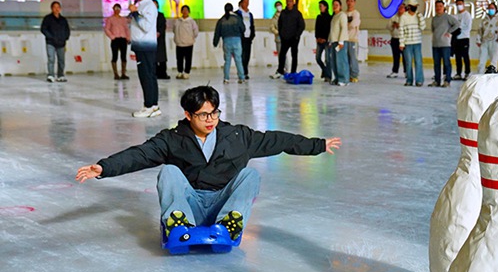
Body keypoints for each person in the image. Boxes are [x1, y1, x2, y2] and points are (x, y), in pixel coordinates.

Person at [75, 85, 341, 244]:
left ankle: (229, 224)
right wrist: (104, 167)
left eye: (214, 112)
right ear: (188, 115)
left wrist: (317, 145)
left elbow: (276, 140)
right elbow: (140, 154)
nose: (210, 119)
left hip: (222, 205)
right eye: (203, 114)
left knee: (249, 175)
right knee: (168, 171)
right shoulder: (172, 139)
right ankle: (178, 225)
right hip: (188, 205)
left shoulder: (237, 136)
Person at [129, 0, 160, 118]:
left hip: (145, 47)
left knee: (146, 76)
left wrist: (135, 13)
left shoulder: (149, 6)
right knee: (149, 75)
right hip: (142, 46)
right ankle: (153, 105)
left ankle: (149, 105)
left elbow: (146, 26)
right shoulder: (141, 5)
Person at [271, 0, 305, 79]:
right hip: (285, 38)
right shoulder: (283, 13)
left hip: (294, 38)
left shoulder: (297, 13)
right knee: (282, 54)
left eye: (290, 1)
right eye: (287, 1)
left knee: (294, 55)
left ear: (293, 2)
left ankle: (293, 72)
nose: (289, 3)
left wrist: (297, 35)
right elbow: (280, 24)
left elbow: (302, 26)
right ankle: (280, 71)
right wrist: (282, 35)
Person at [213, 2, 245, 84]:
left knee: (227, 61)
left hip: (226, 41)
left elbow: (217, 32)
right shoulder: (237, 18)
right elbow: (243, 28)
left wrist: (215, 43)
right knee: (238, 60)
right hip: (237, 40)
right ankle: (241, 77)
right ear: (232, 9)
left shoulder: (222, 20)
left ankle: (226, 78)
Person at [430, 0, 460, 87]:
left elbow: (457, 24)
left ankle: (447, 80)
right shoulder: (434, 18)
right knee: (436, 63)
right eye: (437, 6)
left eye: (440, 6)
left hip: (445, 44)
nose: (438, 8)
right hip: (435, 44)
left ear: (444, 7)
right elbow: (433, 29)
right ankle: (437, 81)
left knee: (446, 63)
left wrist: (449, 32)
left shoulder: (447, 17)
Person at [40, 1, 70, 83]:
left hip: (61, 43)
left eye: (58, 7)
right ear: (52, 8)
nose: (56, 9)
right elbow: (43, 29)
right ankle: (51, 75)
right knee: (51, 58)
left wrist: (65, 37)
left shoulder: (63, 20)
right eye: (55, 7)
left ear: (60, 9)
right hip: (51, 42)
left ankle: (61, 75)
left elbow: (67, 30)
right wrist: (50, 37)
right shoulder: (47, 18)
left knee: (61, 60)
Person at [398, 0, 425, 87]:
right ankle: (409, 80)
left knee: (418, 62)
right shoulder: (403, 17)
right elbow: (401, 30)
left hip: (417, 42)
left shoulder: (418, 16)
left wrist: (420, 17)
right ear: (409, 7)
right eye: (413, 6)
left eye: (416, 6)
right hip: (407, 43)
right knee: (408, 62)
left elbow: (423, 27)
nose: (415, 8)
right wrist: (401, 43)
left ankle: (419, 80)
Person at [476, 1, 498, 74]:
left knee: (494, 60)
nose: (490, 10)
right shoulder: (484, 20)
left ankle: (493, 77)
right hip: (485, 42)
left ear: (496, 9)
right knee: (481, 60)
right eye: (489, 8)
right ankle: (480, 76)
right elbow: (480, 30)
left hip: (495, 42)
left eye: (492, 8)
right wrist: (478, 40)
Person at [103, 3, 130, 81]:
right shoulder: (110, 19)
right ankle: (115, 73)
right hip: (115, 39)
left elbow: (126, 29)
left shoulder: (123, 19)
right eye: (115, 8)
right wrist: (112, 36)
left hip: (123, 38)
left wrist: (128, 37)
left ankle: (123, 73)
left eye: (118, 8)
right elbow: (107, 29)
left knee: (123, 56)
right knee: (115, 56)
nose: (117, 10)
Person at [172, 4, 198, 79]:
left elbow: (195, 32)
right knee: (179, 59)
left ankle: (187, 72)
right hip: (179, 43)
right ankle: (180, 71)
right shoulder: (177, 21)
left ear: (189, 11)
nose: (185, 12)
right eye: (183, 10)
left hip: (188, 43)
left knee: (188, 59)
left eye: (186, 10)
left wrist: (191, 38)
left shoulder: (191, 21)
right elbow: (174, 30)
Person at [328, 0, 349, 86]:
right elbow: (332, 30)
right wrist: (330, 40)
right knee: (334, 61)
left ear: (340, 6)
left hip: (340, 42)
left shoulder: (342, 15)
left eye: (336, 5)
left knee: (341, 61)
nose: (334, 6)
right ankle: (336, 78)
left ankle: (343, 79)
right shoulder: (334, 16)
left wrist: (341, 41)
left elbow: (343, 28)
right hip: (333, 41)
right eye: (333, 5)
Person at [452, 0, 472, 80]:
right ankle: (458, 73)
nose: (459, 6)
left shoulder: (467, 15)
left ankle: (467, 73)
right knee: (458, 57)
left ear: (463, 4)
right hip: (457, 39)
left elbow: (468, 27)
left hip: (464, 38)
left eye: (460, 4)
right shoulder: (456, 16)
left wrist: (460, 29)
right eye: (457, 5)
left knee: (465, 56)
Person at [236, 0, 255, 80]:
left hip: (248, 37)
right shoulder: (237, 13)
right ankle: (241, 72)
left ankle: (245, 71)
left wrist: (252, 35)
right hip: (240, 38)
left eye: (248, 2)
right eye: (245, 2)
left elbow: (252, 25)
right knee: (241, 55)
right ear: (241, 3)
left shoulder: (250, 14)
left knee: (247, 55)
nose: (246, 4)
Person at [314, 0, 332, 82]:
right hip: (319, 41)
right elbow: (317, 29)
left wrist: (325, 39)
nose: (320, 8)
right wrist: (318, 38)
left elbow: (329, 30)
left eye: (321, 6)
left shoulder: (330, 18)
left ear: (325, 7)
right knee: (318, 58)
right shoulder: (319, 17)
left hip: (326, 41)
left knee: (327, 59)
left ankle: (328, 75)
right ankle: (325, 70)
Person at [387, 4, 406, 79]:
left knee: (405, 57)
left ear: (405, 9)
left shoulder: (406, 17)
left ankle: (406, 72)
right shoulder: (394, 17)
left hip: (403, 39)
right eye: (399, 7)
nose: (400, 9)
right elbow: (388, 26)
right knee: (395, 56)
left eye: (402, 8)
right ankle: (395, 71)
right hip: (394, 38)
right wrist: (393, 25)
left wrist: (400, 25)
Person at [345, 0, 361, 83]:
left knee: (353, 58)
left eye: (351, 1)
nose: (350, 3)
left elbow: (353, 24)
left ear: (354, 2)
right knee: (346, 58)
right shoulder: (344, 13)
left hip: (353, 39)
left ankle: (354, 75)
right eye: (348, 1)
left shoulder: (356, 13)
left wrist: (346, 25)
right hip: (345, 39)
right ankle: (347, 74)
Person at [155, 1, 170, 80]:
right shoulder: (148, 16)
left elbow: (162, 26)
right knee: (153, 58)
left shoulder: (161, 15)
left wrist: (159, 32)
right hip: (150, 39)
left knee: (161, 57)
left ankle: (163, 73)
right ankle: (155, 73)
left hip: (160, 39)